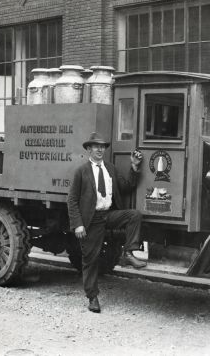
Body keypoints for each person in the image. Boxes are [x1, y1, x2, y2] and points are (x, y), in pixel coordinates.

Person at [67, 132, 146, 313]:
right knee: (90, 259)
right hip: (91, 219)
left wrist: (134, 167)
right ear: (89, 149)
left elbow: (126, 186)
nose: (100, 149)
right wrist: (78, 224)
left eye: (102, 147)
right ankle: (92, 297)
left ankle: (128, 252)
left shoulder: (110, 168)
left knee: (134, 215)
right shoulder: (82, 171)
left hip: (108, 215)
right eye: (96, 146)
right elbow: (71, 200)